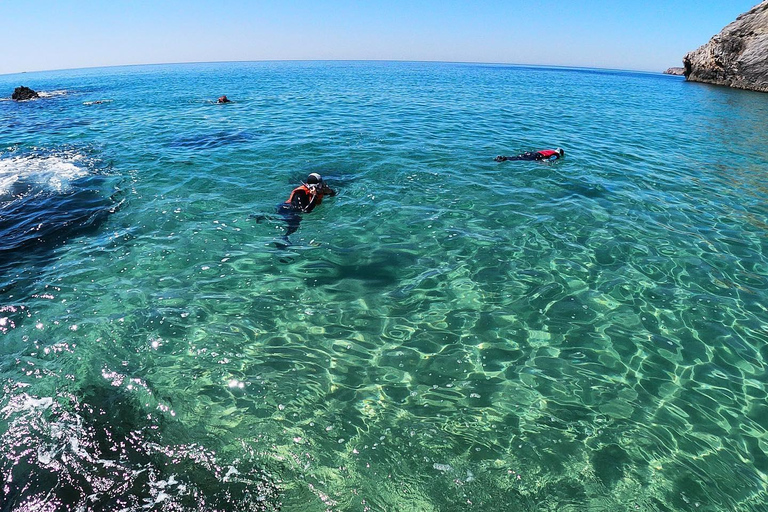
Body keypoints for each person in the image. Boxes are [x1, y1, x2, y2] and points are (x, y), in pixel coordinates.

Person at [276, 173, 336, 239]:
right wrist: (314, 196)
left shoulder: (319, 190)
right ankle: (284, 237)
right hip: (287, 209)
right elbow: (305, 211)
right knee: (295, 223)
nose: (321, 187)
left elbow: (333, 194)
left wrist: (330, 191)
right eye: (320, 185)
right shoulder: (300, 193)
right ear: (314, 187)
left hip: (295, 209)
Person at [495, 148, 564, 162]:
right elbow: (550, 160)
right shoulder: (556, 155)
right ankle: (505, 159)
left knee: (519, 156)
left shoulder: (550, 150)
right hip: (537, 156)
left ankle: (505, 158)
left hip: (534, 153)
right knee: (521, 159)